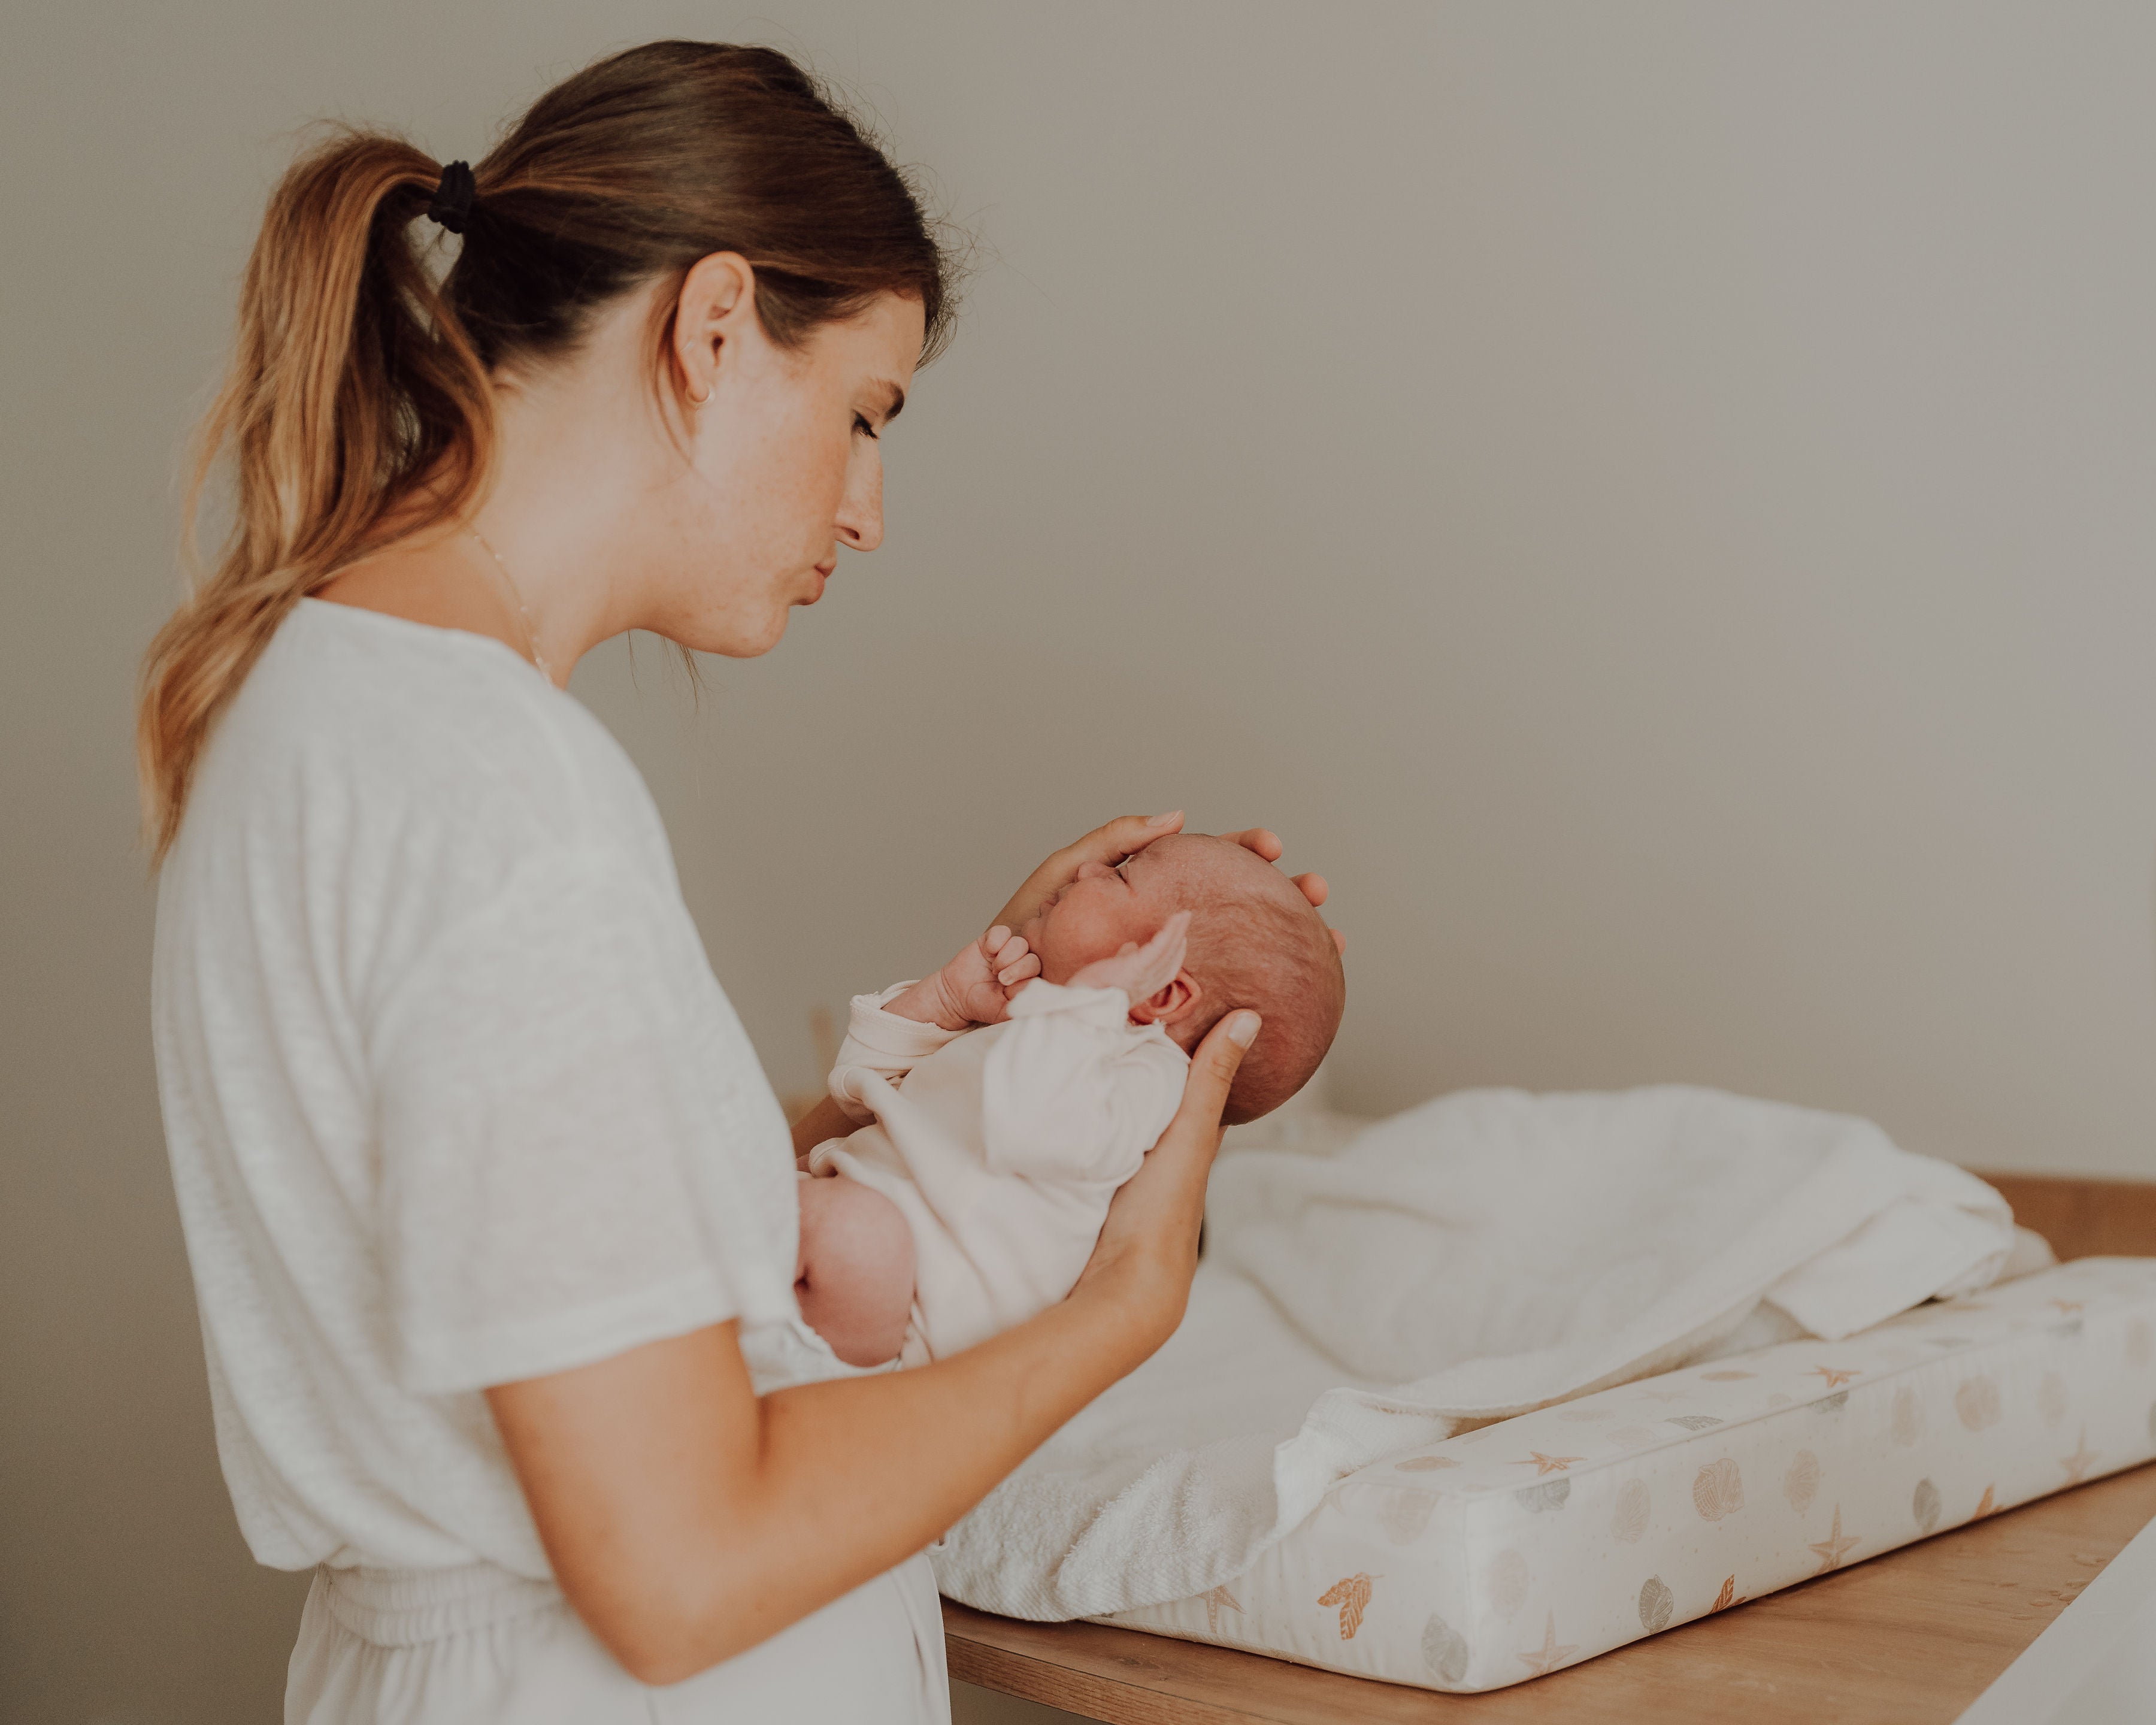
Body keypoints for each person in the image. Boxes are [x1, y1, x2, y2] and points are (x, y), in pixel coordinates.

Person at [135, 40, 1335, 1724]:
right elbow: (679, 1568)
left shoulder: (315, 703)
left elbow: (564, 1218)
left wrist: (987, 1010)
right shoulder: (504, 805)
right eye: (863, 414)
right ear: (711, 330)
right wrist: (1123, 1308)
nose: (869, 508)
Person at [796, 833, 1347, 1368]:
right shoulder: (1049, 1034)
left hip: (897, 1297)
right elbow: (857, 1090)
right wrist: (941, 1000)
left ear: (1161, 993)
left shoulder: (1141, 1078)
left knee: (844, 1226)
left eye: (1122, 873)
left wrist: (1085, 1007)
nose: (1086, 869)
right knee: (768, 1174)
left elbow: (1025, 1126)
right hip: (839, 1231)